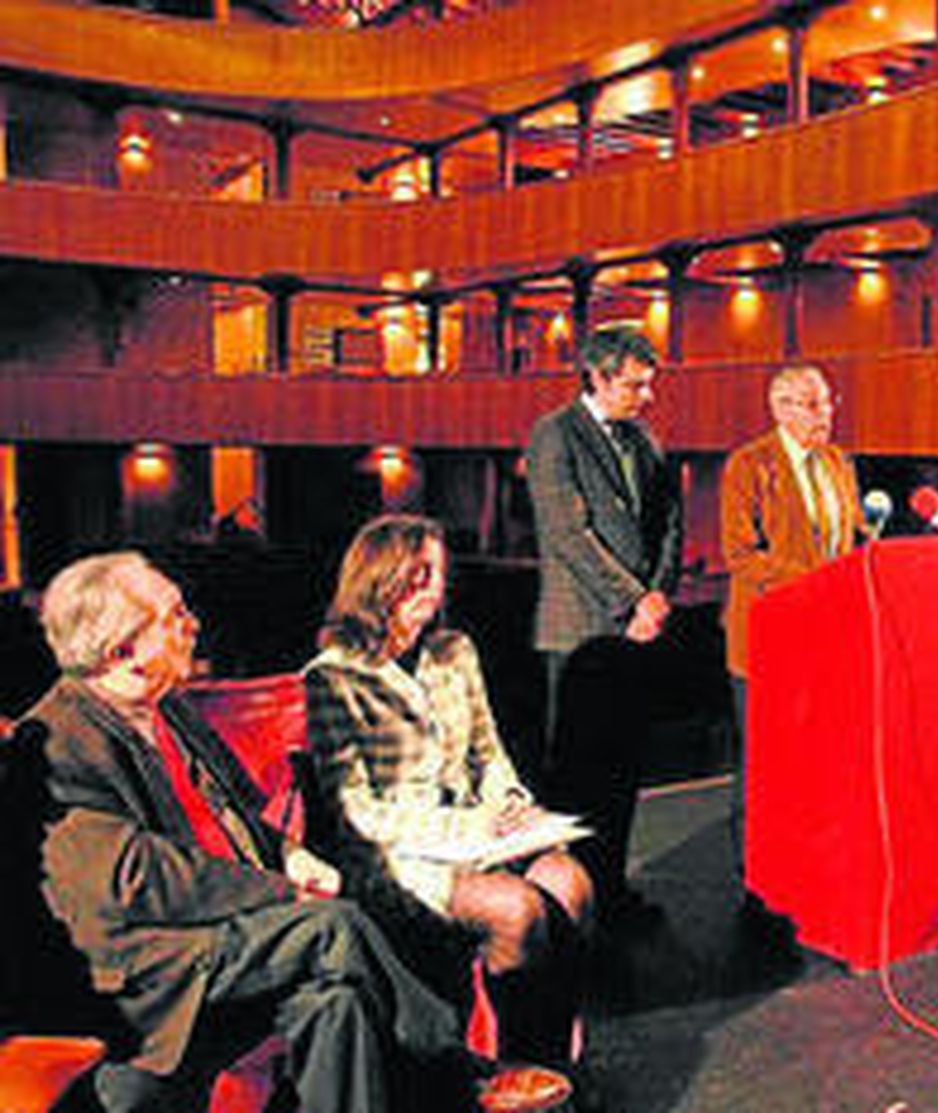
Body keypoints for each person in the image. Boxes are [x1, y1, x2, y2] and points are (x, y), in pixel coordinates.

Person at [22, 552, 562, 1113]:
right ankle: (455, 1074)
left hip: (232, 934)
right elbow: (137, 880)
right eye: (175, 615)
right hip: (154, 968)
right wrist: (283, 892)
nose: (194, 623)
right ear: (123, 651)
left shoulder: (170, 711)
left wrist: (288, 853)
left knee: (337, 1003)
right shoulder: (59, 741)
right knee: (333, 925)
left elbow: (240, 819)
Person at [304, 515, 594, 1071]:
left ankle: (555, 1063)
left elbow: (488, 752)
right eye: (420, 574)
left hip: (481, 831)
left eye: (439, 574)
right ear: (379, 579)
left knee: (571, 882)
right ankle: (510, 1072)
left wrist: (510, 798)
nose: (435, 588)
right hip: (397, 857)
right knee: (515, 909)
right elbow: (357, 812)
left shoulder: (453, 651)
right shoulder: (333, 677)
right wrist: (468, 828)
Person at [525, 325, 682, 927]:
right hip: (582, 632)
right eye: (636, 385)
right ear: (598, 376)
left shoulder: (645, 440)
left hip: (639, 629)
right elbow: (569, 536)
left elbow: (668, 522)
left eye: (649, 384)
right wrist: (634, 601)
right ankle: (569, 904)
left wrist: (659, 595)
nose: (647, 396)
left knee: (622, 772)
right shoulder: (554, 435)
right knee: (575, 780)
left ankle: (610, 894)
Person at [720, 366, 861, 911]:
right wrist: (815, 578)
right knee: (765, 764)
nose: (825, 413)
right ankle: (757, 877)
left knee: (814, 761)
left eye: (827, 401)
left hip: (826, 639)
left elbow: (846, 538)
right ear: (779, 408)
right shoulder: (748, 465)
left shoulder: (838, 463)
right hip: (766, 639)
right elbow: (741, 553)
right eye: (811, 403)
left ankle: (805, 863)